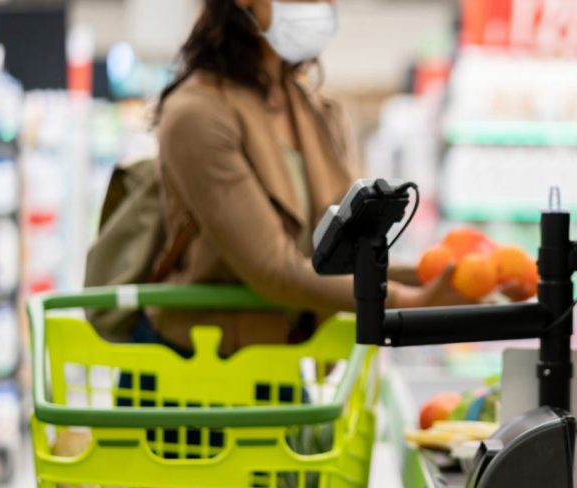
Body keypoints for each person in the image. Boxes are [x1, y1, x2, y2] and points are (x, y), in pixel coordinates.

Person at [150, 0, 471, 355]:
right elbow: (272, 268)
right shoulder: (196, 115)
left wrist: (449, 277)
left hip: (285, 360)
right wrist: (407, 300)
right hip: (199, 371)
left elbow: (343, 253)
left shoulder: (316, 111)